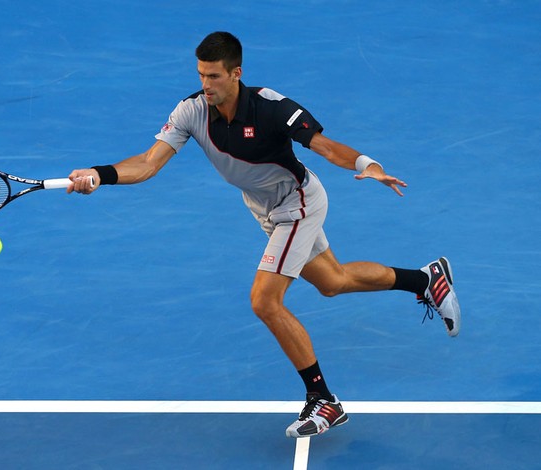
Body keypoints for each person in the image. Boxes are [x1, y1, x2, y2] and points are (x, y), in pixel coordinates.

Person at [66, 31, 461, 438]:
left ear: (236, 73)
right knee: (333, 281)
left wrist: (368, 163)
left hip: (298, 202)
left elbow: (323, 146)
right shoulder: (190, 111)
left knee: (264, 300)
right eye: (201, 75)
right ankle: (425, 278)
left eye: (214, 76)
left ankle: (322, 400)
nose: (205, 85)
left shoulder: (270, 107)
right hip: (263, 207)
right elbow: (149, 163)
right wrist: (101, 174)